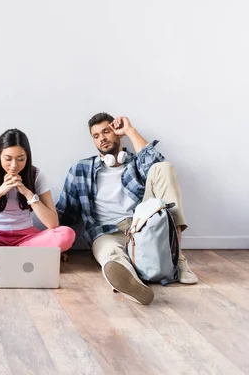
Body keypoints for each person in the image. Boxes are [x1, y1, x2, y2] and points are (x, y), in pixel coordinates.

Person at [56, 113, 197, 305]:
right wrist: (58, 246)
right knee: (110, 255)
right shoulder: (81, 169)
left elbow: (155, 163)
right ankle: (131, 283)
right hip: (104, 233)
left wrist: (129, 130)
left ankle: (178, 258)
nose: (102, 138)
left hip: (141, 228)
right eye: (96, 136)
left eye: (106, 131)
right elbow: (66, 210)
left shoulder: (135, 164)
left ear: (117, 133)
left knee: (163, 168)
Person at [0, 129, 76, 270]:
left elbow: (53, 223)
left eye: (21, 158)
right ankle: (20, 260)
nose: (14, 165)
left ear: (27, 156)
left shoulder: (36, 175)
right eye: (8, 159)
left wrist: (27, 193)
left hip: (26, 238)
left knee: (66, 234)